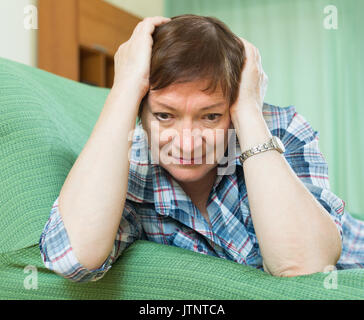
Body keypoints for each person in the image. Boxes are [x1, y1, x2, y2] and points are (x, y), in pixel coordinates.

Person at [39, 14, 364, 282]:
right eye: (165, 115)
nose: (187, 143)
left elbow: (308, 269)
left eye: (210, 116)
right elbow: (71, 259)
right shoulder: (129, 166)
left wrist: (248, 110)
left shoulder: (278, 129)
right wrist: (125, 86)